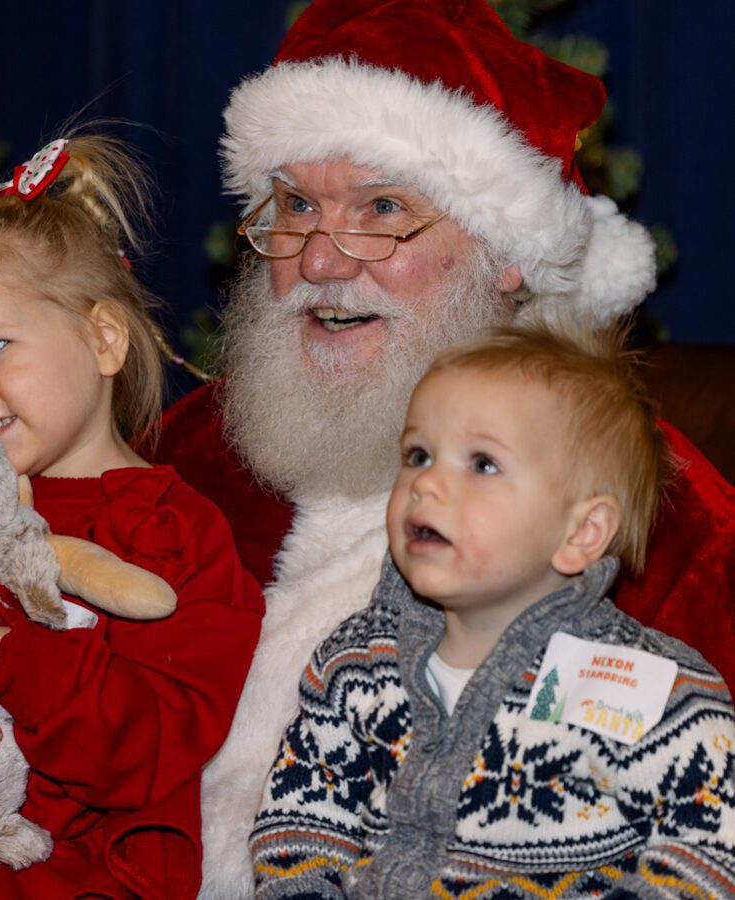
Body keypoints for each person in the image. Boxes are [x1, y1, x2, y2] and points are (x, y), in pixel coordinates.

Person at [152, 0, 735, 896]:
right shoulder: (188, 454)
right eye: (297, 206)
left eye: (382, 208)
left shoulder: (635, 501)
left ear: (504, 250)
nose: (318, 260)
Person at [0, 134, 263, 898]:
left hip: (61, 873)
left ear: (102, 338)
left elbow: (159, 740)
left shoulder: (174, 532)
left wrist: (6, 661)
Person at [250, 324, 735, 898]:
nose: (427, 482)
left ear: (582, 532)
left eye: (482, 464)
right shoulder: (356, 659)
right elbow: (302, 822)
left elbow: (707, 850)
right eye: (418, 454)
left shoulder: (652, 687)